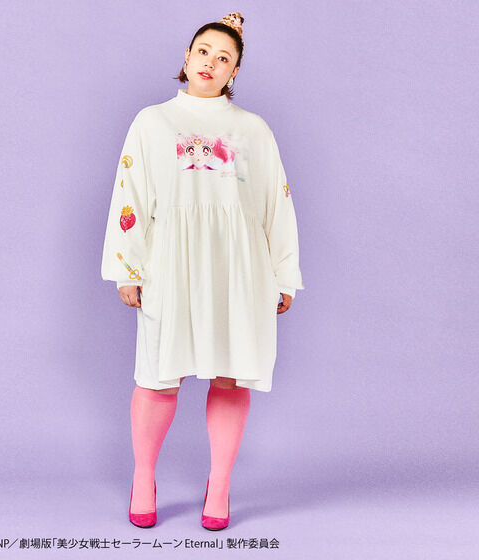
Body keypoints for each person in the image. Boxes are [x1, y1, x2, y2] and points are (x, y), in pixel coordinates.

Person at [101, 12, 305, 530]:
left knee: (230, 374)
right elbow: (130, 195)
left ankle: (220, 482)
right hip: (170, 262)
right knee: (158, 375)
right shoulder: (152, 122)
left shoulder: (252, 130)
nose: (211, 62)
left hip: (239, 266)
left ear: (235, 71)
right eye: (203, 51)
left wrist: (283, 275)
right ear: (187, 58)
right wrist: (128, 268)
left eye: (224, 57)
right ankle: (143, 475)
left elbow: (276, 205)